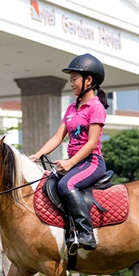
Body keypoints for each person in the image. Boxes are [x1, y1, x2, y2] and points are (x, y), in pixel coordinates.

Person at [28, 53, 109, 251]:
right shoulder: (72, 108)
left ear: (88, 80)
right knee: (48, 183)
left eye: (74, 79)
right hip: (75, 162)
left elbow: (91, 143)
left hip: (91, 162)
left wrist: (70, 163)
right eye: (70, 79)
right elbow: (57, 138)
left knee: (66, 184)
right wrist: (37, 155)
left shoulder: (96, 108)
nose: (71, 83)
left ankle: (86, 233)